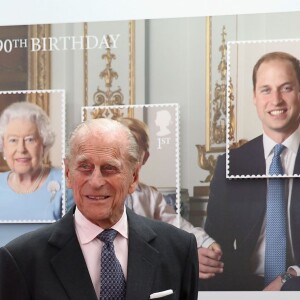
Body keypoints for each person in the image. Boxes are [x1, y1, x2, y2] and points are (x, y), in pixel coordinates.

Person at [0, 118, 199, 299]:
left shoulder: (178, 249)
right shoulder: (21, 259)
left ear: (134, 177)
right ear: (68, 173)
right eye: (85, 167)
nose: (95, 182)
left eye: (109, 168)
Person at [201, 51, 300, 291]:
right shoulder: (232, 164)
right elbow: (216, 237)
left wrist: (289, 277)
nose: (275, 100)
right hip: (243, 281)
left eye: (286, 88)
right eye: (266, 89)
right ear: (254, 97)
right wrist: (204, 254)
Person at [118, 116, 224, 280]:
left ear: (144, 158)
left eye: (134, 151)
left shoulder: (150, 196)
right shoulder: (96, 193)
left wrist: (205, 242)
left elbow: (178, 226)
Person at [0, 102, 62, 221]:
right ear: (4, 146)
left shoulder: (65, 184)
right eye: (13, 140)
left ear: (44, 143)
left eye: (30, 139)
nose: (21, 149)